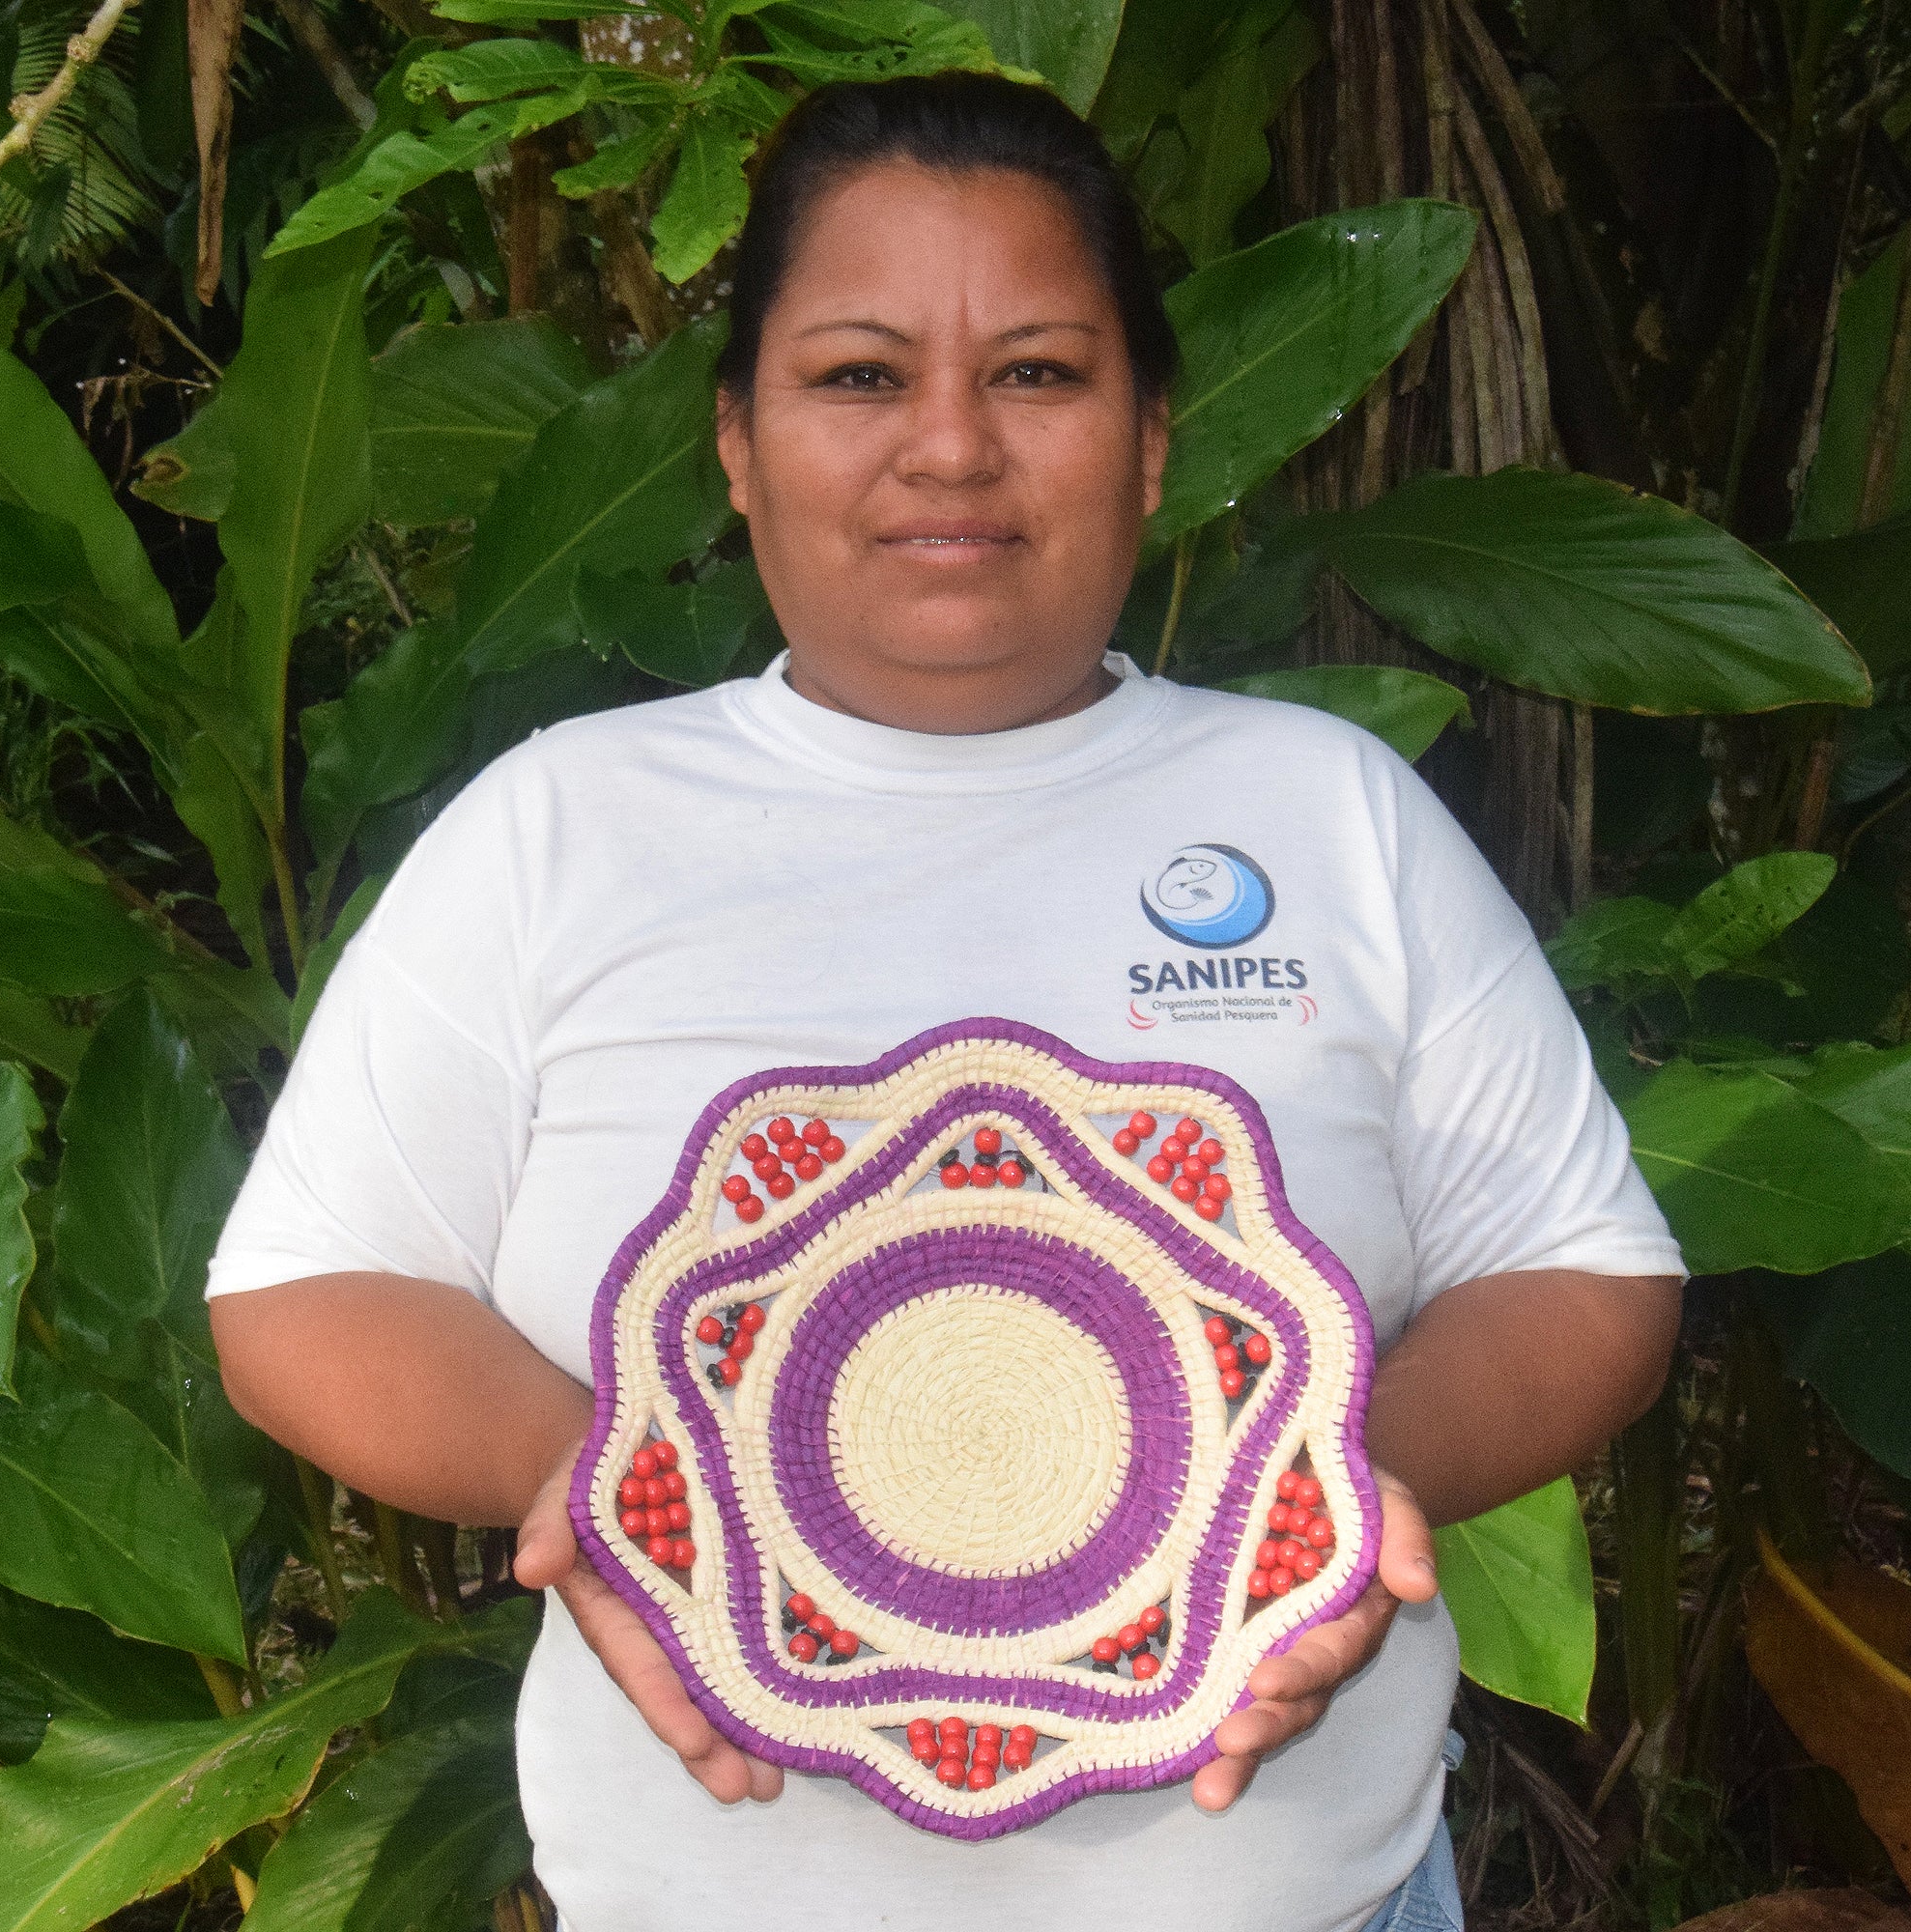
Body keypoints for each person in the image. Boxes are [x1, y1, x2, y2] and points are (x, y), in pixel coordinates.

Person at [208, 71, 1684, 1932]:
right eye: (860, 374)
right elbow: (305, 1292)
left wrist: (1315, 1496)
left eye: (1040, 373)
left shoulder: (1328, 815)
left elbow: (1581, 1266)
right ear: (736, 440)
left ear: (1152, 438)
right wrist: (603, 1487)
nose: (952, 449)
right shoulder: (562, 828)